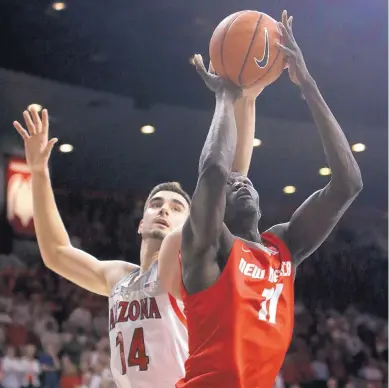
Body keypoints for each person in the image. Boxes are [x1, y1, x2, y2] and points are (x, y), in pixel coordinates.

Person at [158, 10, 363, 388]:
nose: (241, 182)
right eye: (234, 185)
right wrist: (224, 96)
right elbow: (215, 173)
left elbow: (347, 184)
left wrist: (308, 85)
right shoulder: (208, 248)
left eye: (247, 180)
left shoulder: (283, 246)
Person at [13, 78, 262, 385]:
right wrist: (38, 172)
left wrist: (247, 101)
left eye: (175, 207)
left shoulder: (190, 271)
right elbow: (56, 253)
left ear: (189, 227)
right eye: (155, 204)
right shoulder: (119, 276)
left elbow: (233, 178)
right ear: (140, 223)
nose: (164, 209)